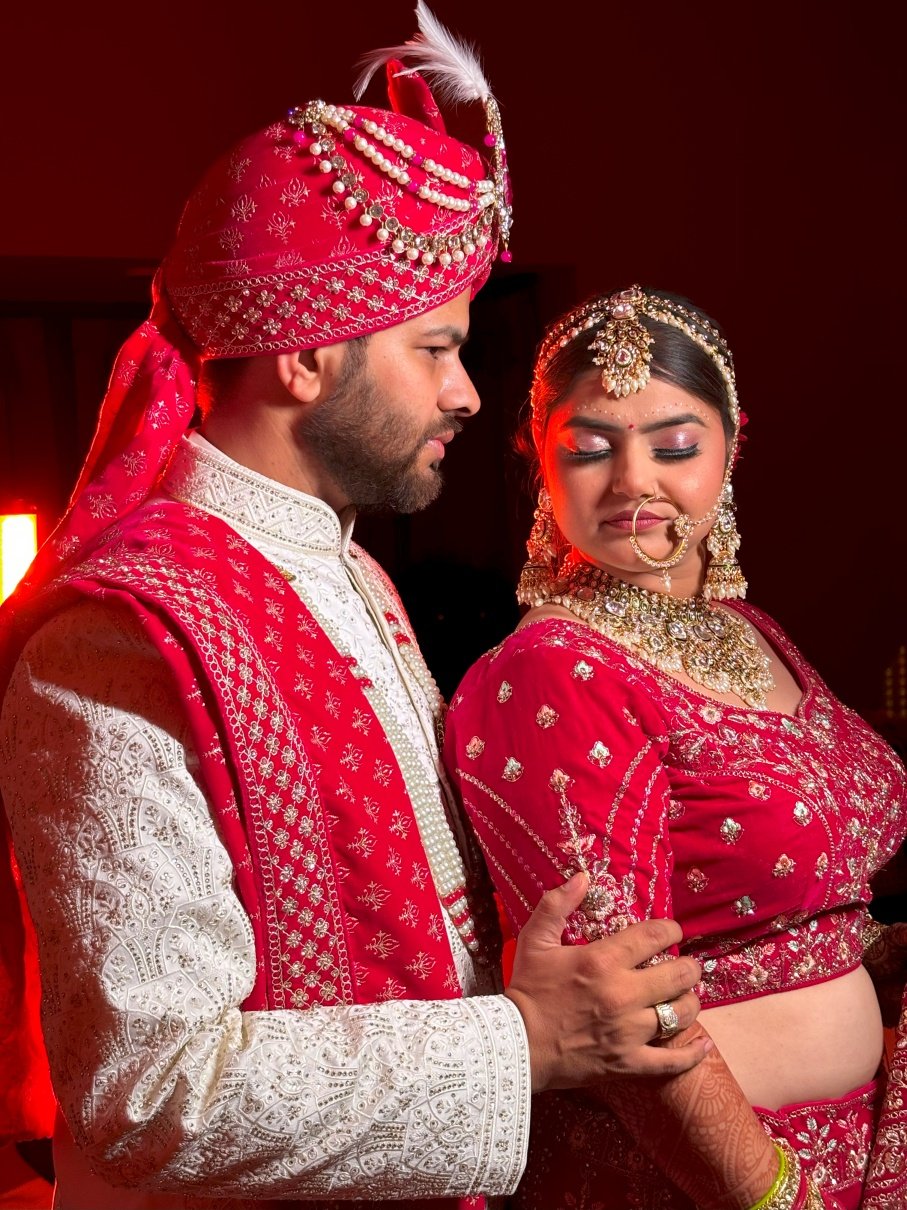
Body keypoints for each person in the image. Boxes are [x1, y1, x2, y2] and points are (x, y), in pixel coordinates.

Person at [0, 11, 711, 1208]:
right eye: (434, 347)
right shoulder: (118, 639)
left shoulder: (353, 576)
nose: (467, 392)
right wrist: (525, 1040)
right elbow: (149, 1094)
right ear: (304, 357)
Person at [442, 284, 907, 1209]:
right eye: (588, 449)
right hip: (695, 1183)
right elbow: (613, 999)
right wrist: (771, 1194)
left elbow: (807, 901)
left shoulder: (752, 632)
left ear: (731, 448)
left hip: (859, 1148)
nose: (631, 482)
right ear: (538, 461)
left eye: (675, 445)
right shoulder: (549, 670)